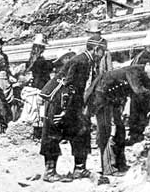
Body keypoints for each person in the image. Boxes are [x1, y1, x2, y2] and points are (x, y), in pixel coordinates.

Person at [39, 38, 107, 182]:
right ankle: (49, 172)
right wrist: (63, 111)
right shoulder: (81, 62)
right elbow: (68, 86)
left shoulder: (88, 61)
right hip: (59, 101)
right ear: (95, 50)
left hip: (72, 103)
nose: (104, 54)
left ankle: (79, 169)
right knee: (53, 133)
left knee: (82, 131)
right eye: (103, 50)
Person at [90, 60, 150, 175]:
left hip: (113, 101)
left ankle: (120, 165)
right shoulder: (134, 71)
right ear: (147, 64)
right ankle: (108, 168)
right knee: (109, 132)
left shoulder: (143, 75)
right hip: (102, 99)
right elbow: (138, 90)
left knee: (120, 131)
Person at [21, 33, 54, 139]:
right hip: (42, 85)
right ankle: (41, 133)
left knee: (37, 110)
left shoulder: (31, 59)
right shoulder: (41, 61)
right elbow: (47, 70)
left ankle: (37, 133)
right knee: (42, 109)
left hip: (35, 84)